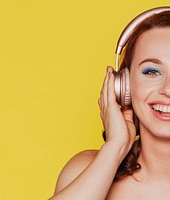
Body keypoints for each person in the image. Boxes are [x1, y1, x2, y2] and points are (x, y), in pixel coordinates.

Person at [49, 7, 170, 199]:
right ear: (123, 86)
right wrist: (115, 147)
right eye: (152, 72)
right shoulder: (87, 170)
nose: (168, 89)